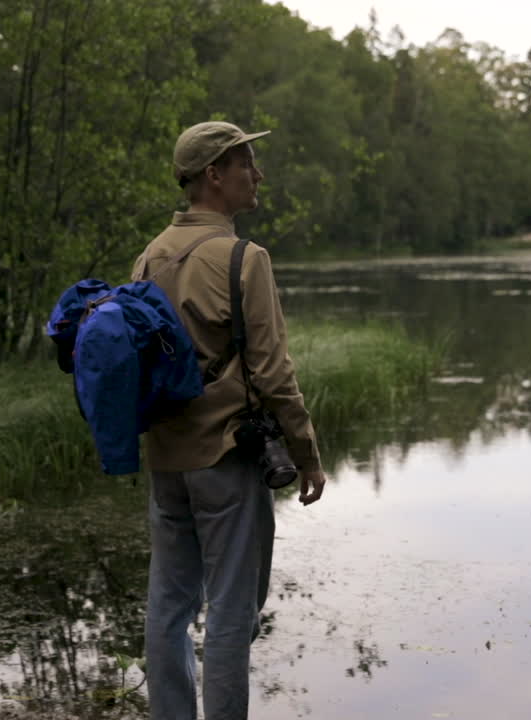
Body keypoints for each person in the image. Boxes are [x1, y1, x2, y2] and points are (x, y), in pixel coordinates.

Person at [131, 121, 327, 720]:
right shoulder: (245, 258)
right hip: (225, 458)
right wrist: (307, 453)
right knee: (232, 613)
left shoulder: (148, 256)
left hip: (165, 460)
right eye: (246, 162)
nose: (257, 174)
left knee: (167, 607)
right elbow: (273, 375)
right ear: (213, 175)